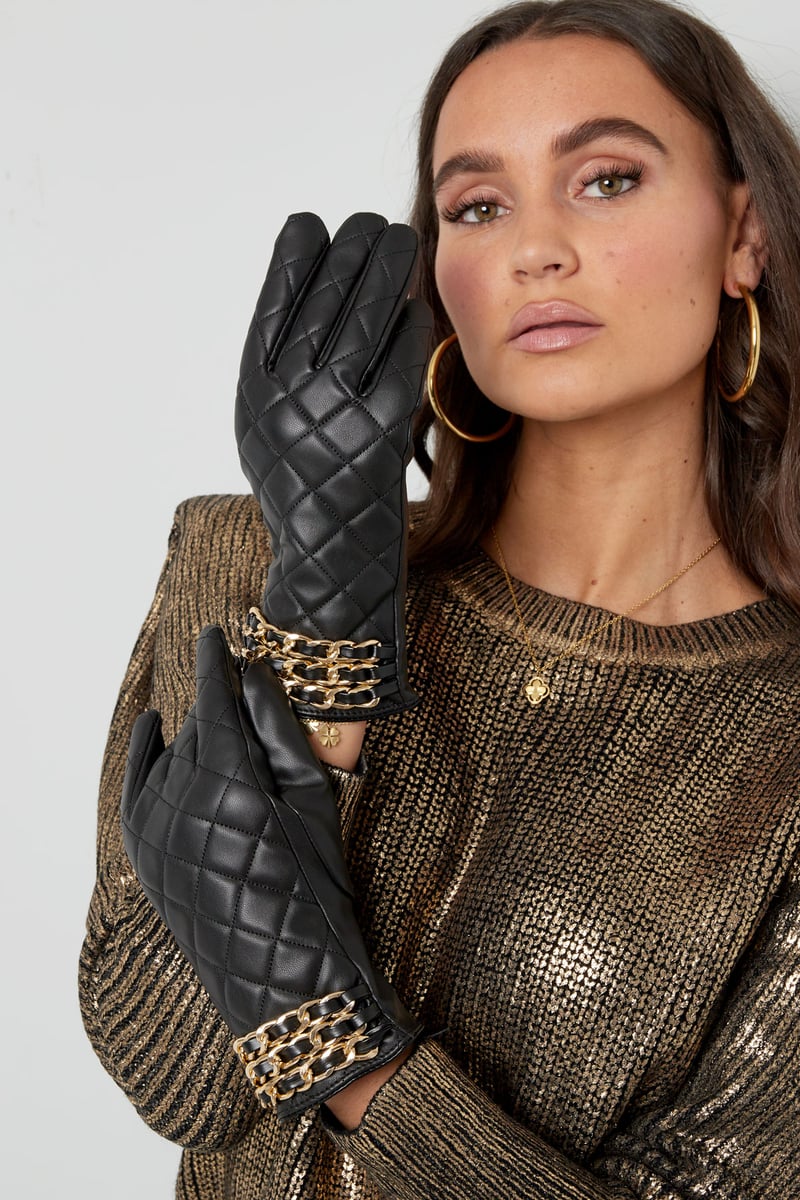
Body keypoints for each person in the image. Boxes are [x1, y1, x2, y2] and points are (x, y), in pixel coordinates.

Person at [79, 0, 800, 1196]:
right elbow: (178, 1083)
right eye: (476, 205)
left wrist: (347, 1055)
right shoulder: (240, 560)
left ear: (741, 234)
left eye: (605, 180)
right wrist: (322, 613)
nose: (534, 250)